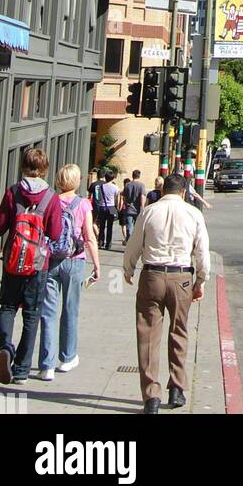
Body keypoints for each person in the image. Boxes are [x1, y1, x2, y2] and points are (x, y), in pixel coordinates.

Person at [124, 173, 210, 415]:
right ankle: (177, 388)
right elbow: (202, 251)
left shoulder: (149, 211)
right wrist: (201, 280)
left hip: (152, 275)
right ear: (183, 192)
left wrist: (128, 268)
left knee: (148, 336)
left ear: (163, 191)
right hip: (181, 277)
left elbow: (134, 243)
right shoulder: (194, 214)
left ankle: (151, 396)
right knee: (179, 332)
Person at [0, 147, 63, 384]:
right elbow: (55, 232)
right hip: (37, 264)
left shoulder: (13, 192)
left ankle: (4, 347)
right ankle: (21, 370)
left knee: (8, 307)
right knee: (32, 315)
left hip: (13, 260)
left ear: (23, 166)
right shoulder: (51, 197)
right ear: (44, 169)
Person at [37, 163, 100, 380]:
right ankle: (68, 357)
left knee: (48, 312)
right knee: (70, 309)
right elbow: (89, 237)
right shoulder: (83, 204)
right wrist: (97, 266)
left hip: (51, 260)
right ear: (77, 181)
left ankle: (46, 365)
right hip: (74, 260)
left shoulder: (49, 201)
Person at [92, 169, 120, 249]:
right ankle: (108, 244)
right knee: (110, 226)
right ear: (113, 178)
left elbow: (98, 196)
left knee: (102, 226)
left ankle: (100, 242)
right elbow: (117, 199)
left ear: (105, 177)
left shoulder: (101, 186)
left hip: (102, 206)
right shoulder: (115, 187)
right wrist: (117, 207)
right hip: (111, 207)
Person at [119, 169, 146, 243]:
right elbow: (142, 197)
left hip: (129, 209)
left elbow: (124, 197)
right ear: (139, 176)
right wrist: (142, 207)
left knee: (129, 226)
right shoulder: (141, 185)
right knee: (138, 227)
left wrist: (125, 204)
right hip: (138, 210)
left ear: (132, 175)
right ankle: (136, 242)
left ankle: (129, 240)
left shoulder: (127, 185)